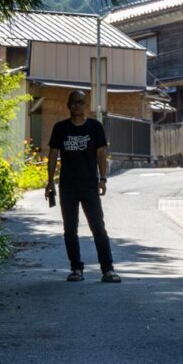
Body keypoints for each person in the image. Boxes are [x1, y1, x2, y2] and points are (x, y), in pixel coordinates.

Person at [45, 90, 121, 282]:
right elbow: (53, 154)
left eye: (81, 102)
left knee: (98, 227)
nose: (78, 105)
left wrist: (103, 178)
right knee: (70, 229)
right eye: (74, 102)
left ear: (85, 105)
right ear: (68, 105)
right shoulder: (60, 128)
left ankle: (107, 269)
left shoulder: (95, 127)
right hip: (67, 186)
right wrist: (49, 182)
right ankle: (76, 269)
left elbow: (101, 153)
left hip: (89, 185)